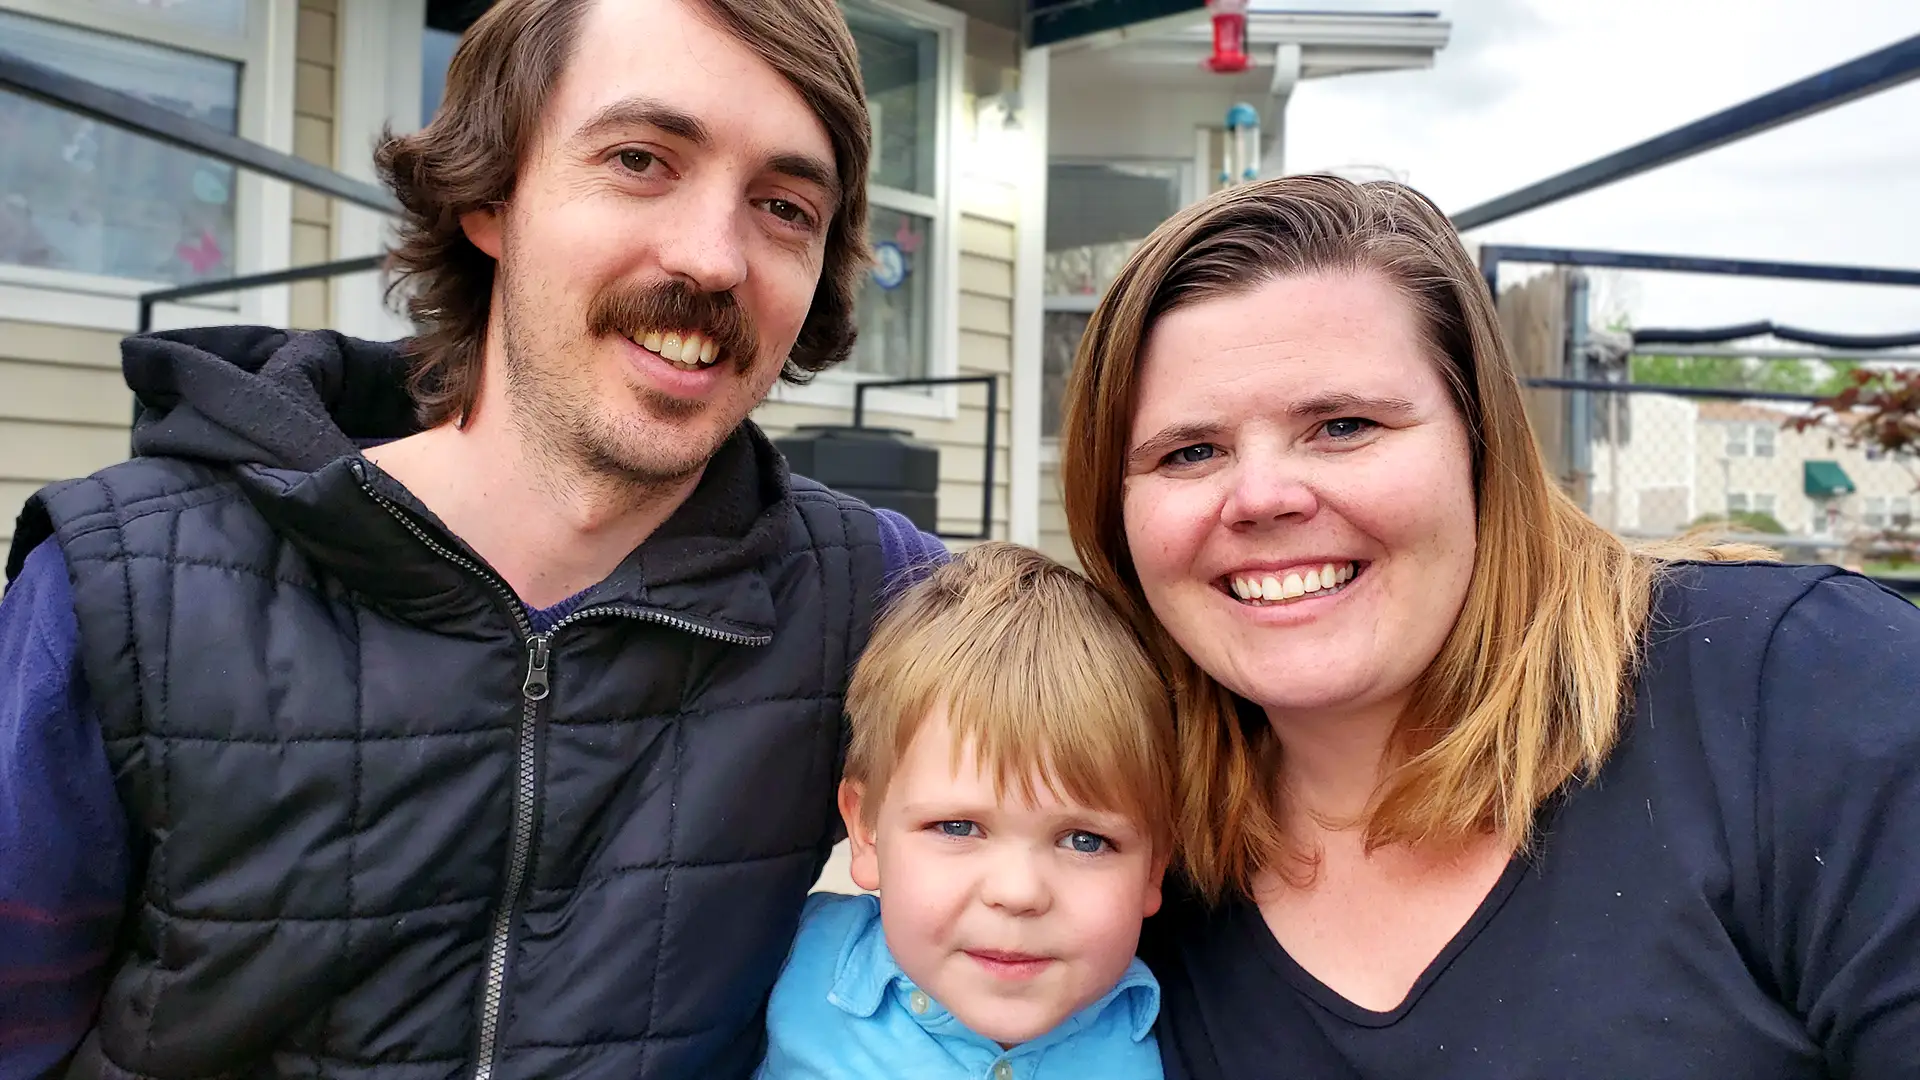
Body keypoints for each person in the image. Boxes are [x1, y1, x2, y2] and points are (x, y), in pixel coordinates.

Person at [0, 1, 950, 1077]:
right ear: (489, 196)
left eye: (784, 208)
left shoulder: (877, 602)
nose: (714, 256)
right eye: (640, 159)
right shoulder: (125, 589)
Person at [1057, 174, 1920, 1079]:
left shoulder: (1797, 697)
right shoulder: (1113, 848)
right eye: (1189, 452)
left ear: (1481, 443)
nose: (1264, 497)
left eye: (1344, 426)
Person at [756, 543, 1173, 1079]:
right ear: (865, 829)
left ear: (1156, 866)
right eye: (957, 827)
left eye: (1085, 840)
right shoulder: (782, 957)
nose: (1019, 893)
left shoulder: (1193, 1038)